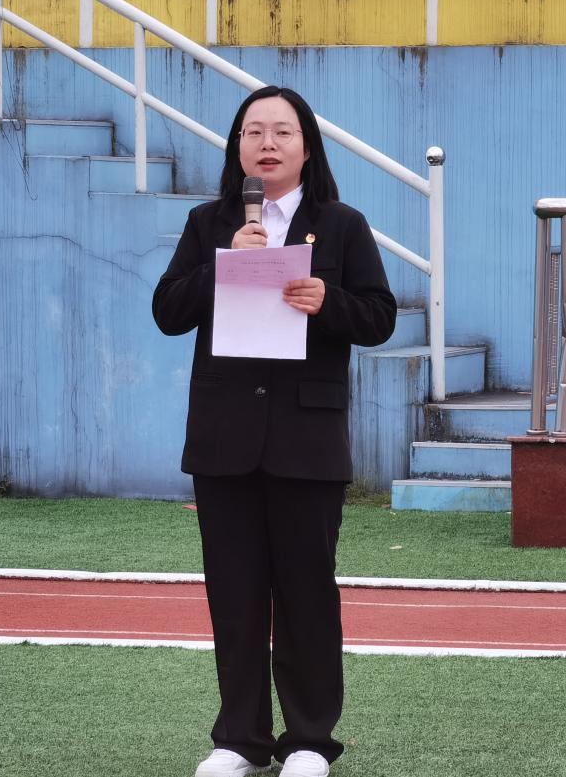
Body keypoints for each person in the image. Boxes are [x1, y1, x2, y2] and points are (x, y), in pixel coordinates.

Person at [152, 86, 397, 777]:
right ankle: (240, 740)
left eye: (282, 131)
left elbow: (380, 316)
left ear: (306, 146)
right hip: (224, 437)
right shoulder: (209, 223)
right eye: (253, 131)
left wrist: (328, 301)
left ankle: (310, 741)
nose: (267, 143)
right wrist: (220, 266)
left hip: (306, 437)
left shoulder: (341, 225)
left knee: (306, 594)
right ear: (237, 147)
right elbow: (167, 311)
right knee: (233, 595)